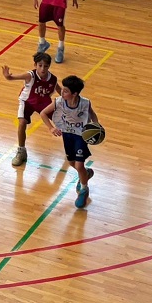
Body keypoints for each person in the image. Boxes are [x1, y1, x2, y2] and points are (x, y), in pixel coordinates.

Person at [41, 75, 99, 209]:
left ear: (75, 94)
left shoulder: (85, 103)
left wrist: (96, 126)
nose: (62, 92)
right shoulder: (59, 102)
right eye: (63, 89)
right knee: (72, 163)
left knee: (79, 165)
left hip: (81, 135)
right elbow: (43, 113)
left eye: (66, 91)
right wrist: (51, 128)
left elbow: (92, 114)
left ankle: (84, 189)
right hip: (67, 134)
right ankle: (85, 174)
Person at [3, 52, 58, 167]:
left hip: (43, 102)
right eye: (40, 65)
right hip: (27, 101)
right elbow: (12, 78)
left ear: (49, 66)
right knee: (22, 123)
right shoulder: (30, 75)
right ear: (35, 65)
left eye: (45, 66)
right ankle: (21, 151)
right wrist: (8, 76)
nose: (42, 69)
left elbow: (61, 91)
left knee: (61, 121)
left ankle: (71, 147)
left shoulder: (53, 79)